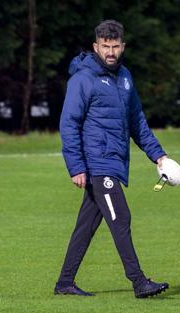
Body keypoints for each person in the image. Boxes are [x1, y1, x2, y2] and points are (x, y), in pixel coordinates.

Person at [55, 20, 169, 298]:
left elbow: (137, 122)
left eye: (115, 46)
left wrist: (159, 155)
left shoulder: (126, 77)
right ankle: (139, 282)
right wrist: (77, 167)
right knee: (121, 217)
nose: (110, 51)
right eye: (105, 46)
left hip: (113, 162)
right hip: (97, 163)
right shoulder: (83, 79)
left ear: (122, 47)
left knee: (86, 225)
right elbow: (68, 123)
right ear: (96, 46)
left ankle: (64, 283)